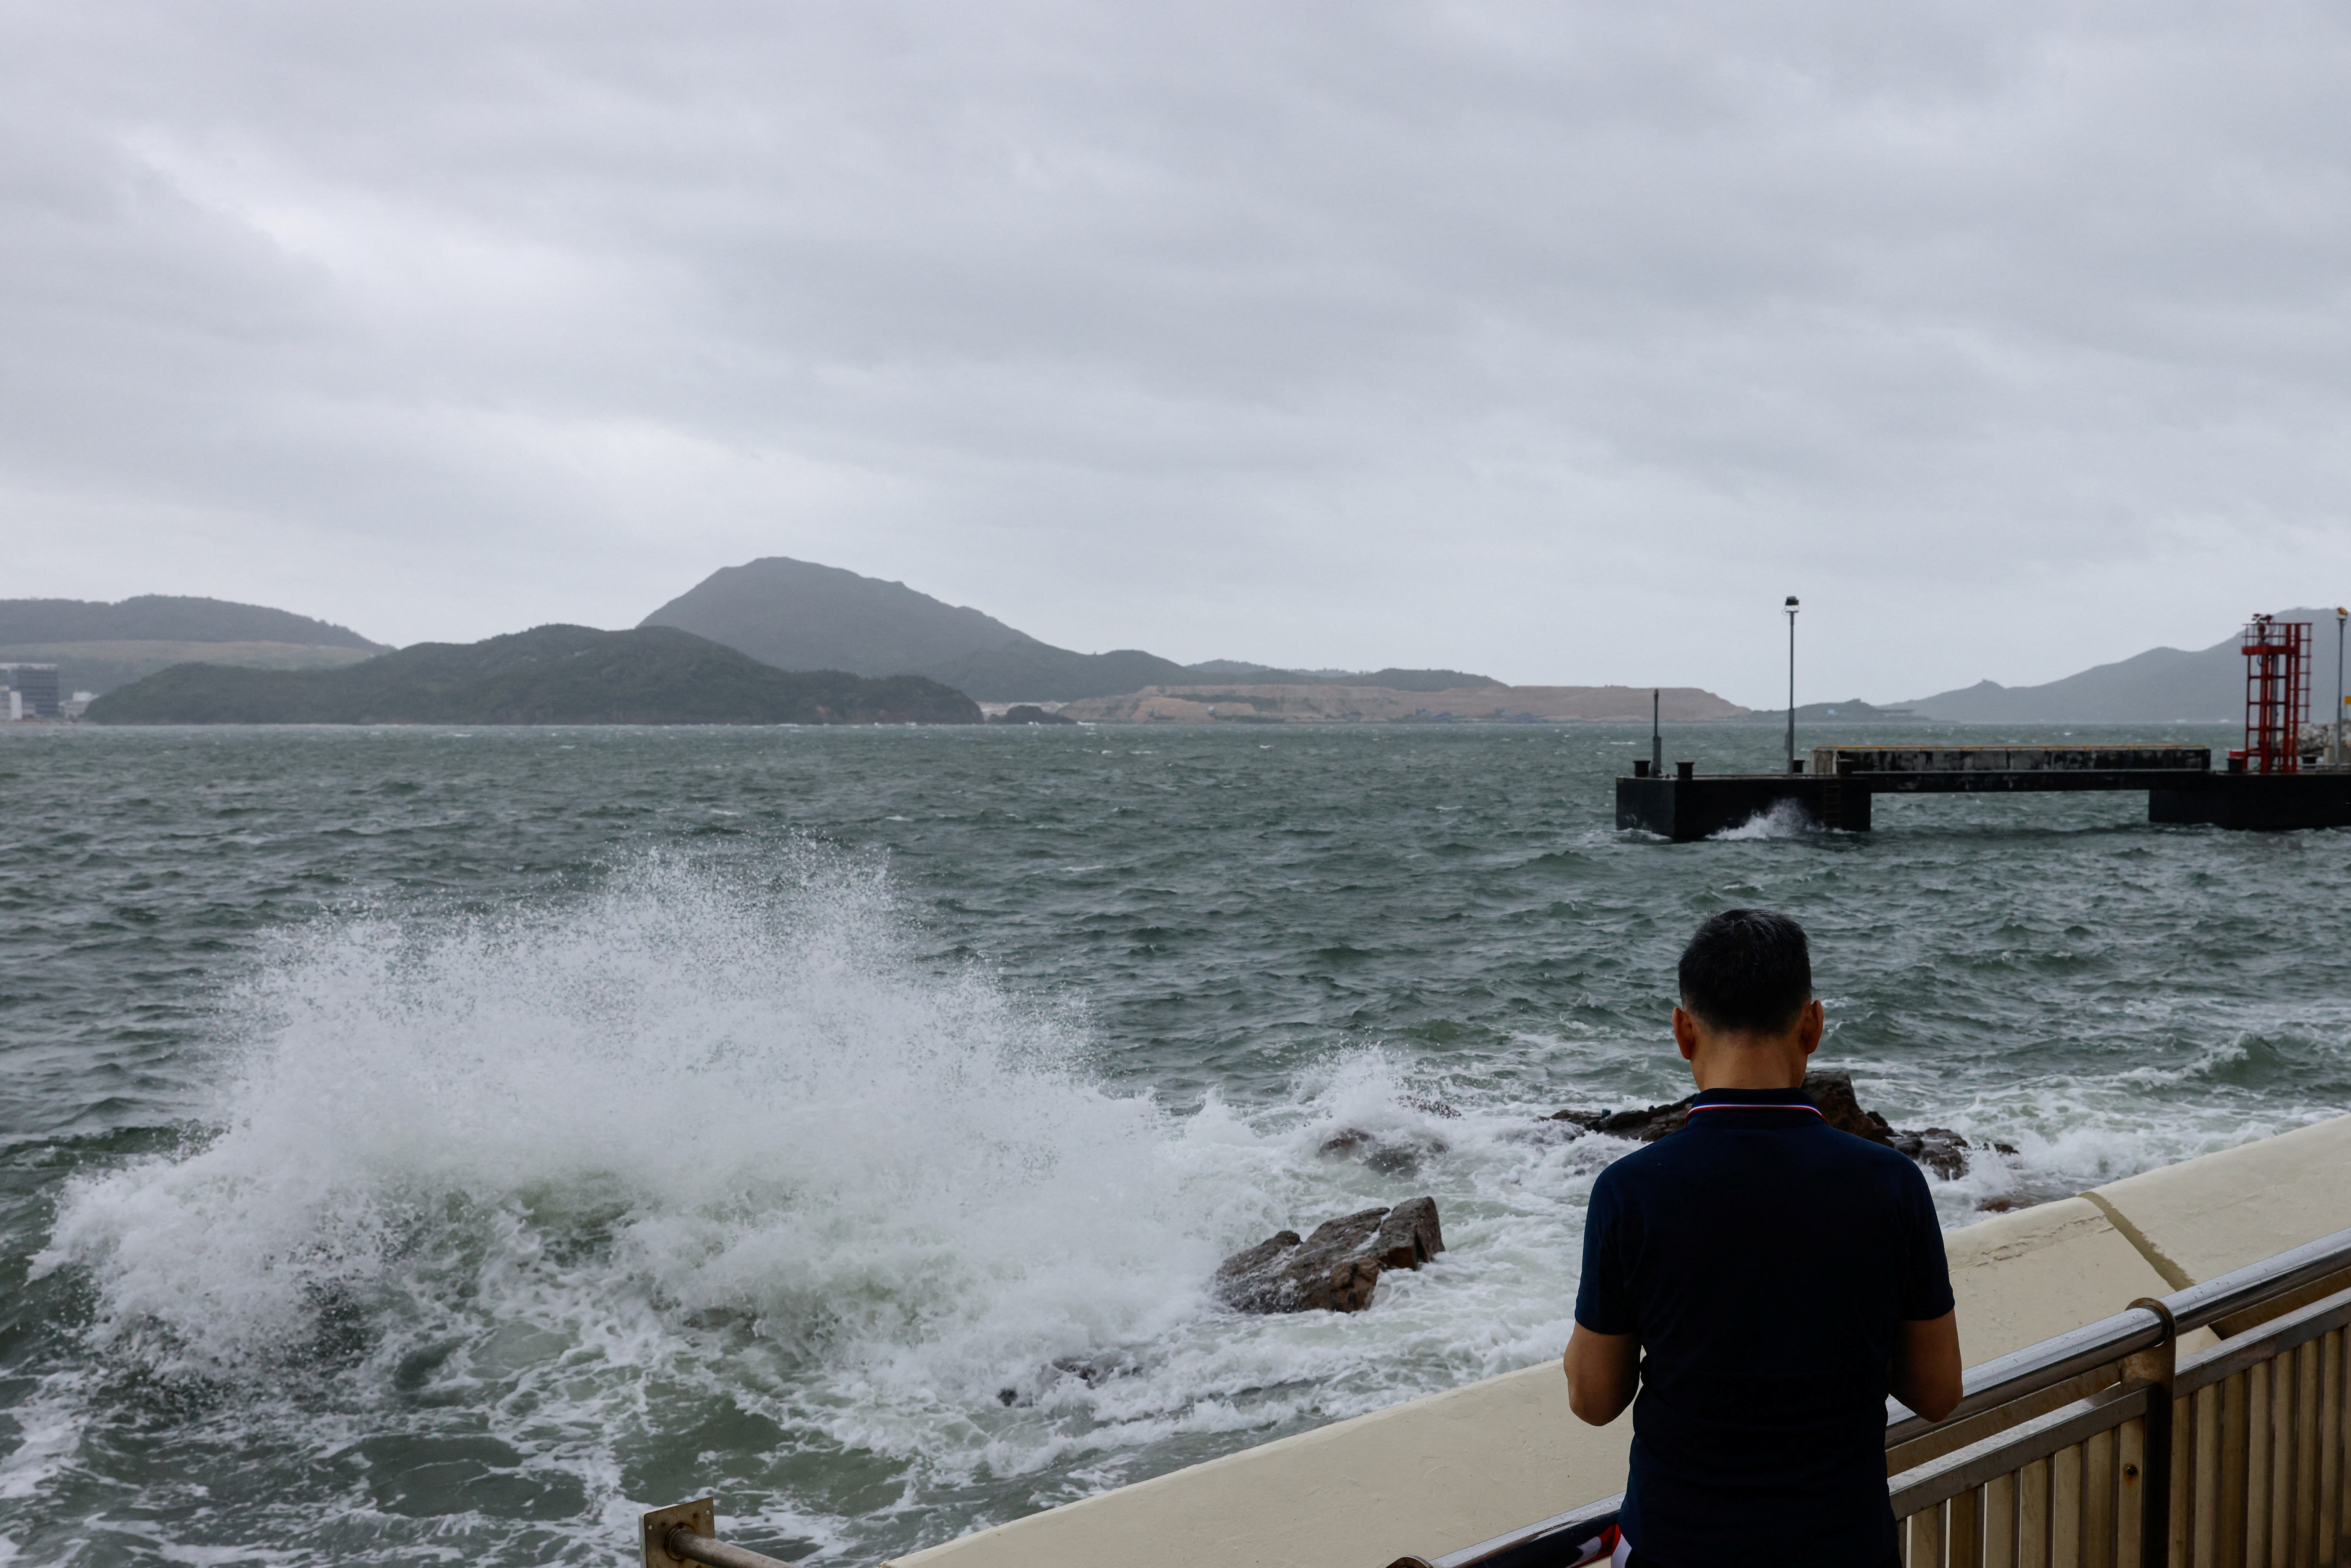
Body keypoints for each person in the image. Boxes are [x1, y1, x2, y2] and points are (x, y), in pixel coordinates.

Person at [1562, 909, 1962, 1568]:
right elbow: (1939, 1389)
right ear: (1812, 1024)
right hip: (1842, 1547)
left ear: (1683, 1031)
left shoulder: (1631, 1190)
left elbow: (1594, 1399)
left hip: (1678, 1548)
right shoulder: (1890, 1183)